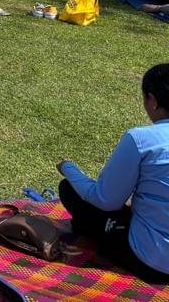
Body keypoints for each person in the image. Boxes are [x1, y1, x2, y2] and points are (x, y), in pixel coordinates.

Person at [55, 63, 169, 284]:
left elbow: (105, 200)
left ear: (153, 101)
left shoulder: (142, 139)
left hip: (153, 262)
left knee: (70, 190)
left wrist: (68, 168)